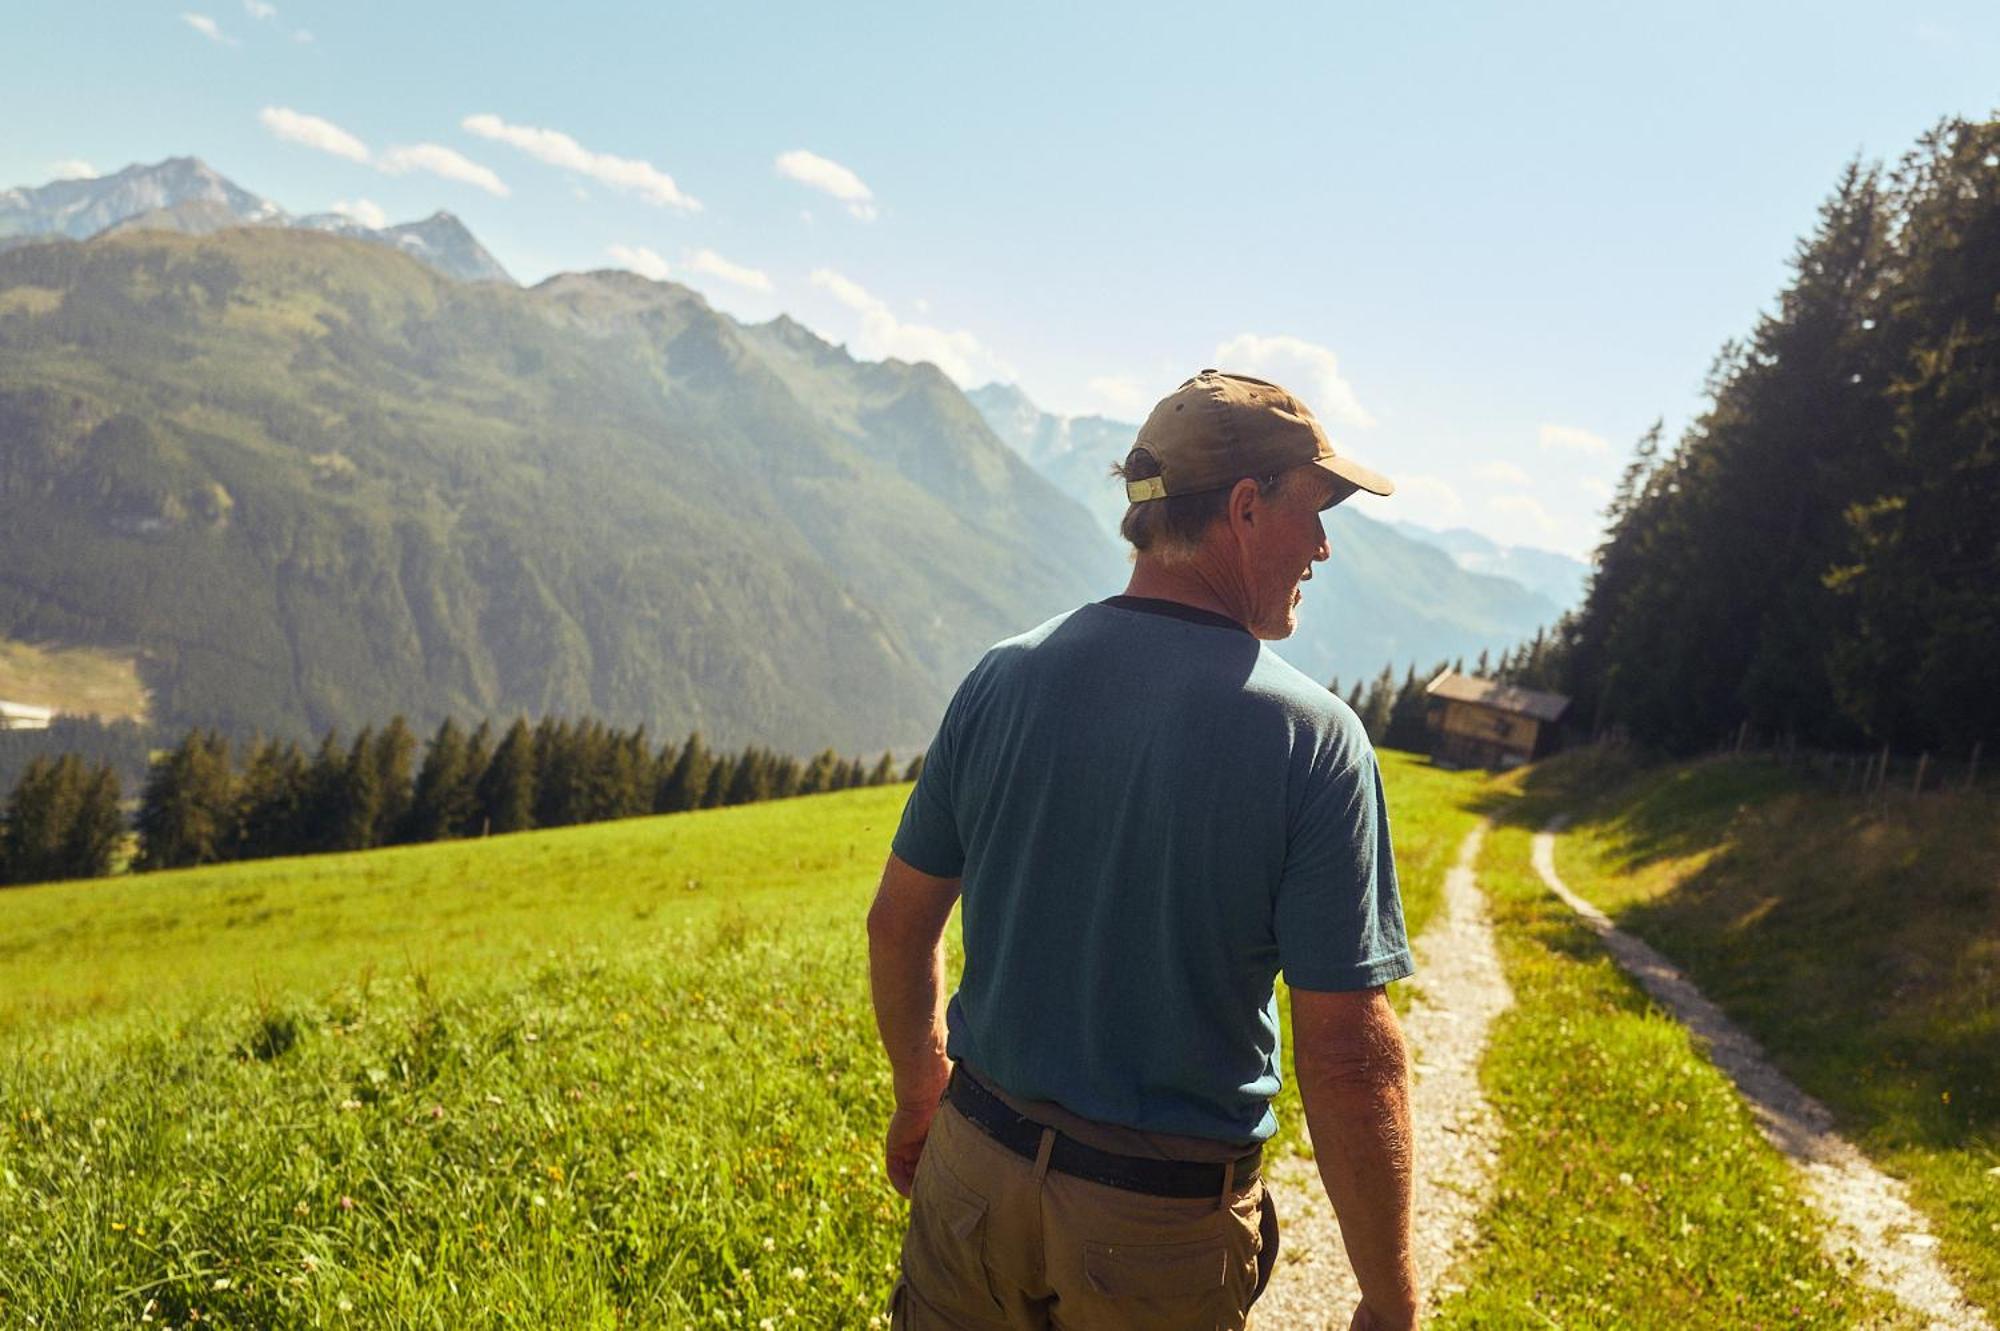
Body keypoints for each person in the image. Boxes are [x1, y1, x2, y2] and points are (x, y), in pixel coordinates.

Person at [868, 369, 1418, 1331]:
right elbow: (1347, 1060)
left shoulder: (1003, 678)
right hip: (1156, 1233)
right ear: (1245, 509)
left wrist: (923, 1089)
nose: (1324, 545)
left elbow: (898, 923)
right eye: (1315, 511)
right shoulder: (1316, 742)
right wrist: (1389, 1295)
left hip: (970, 1176)